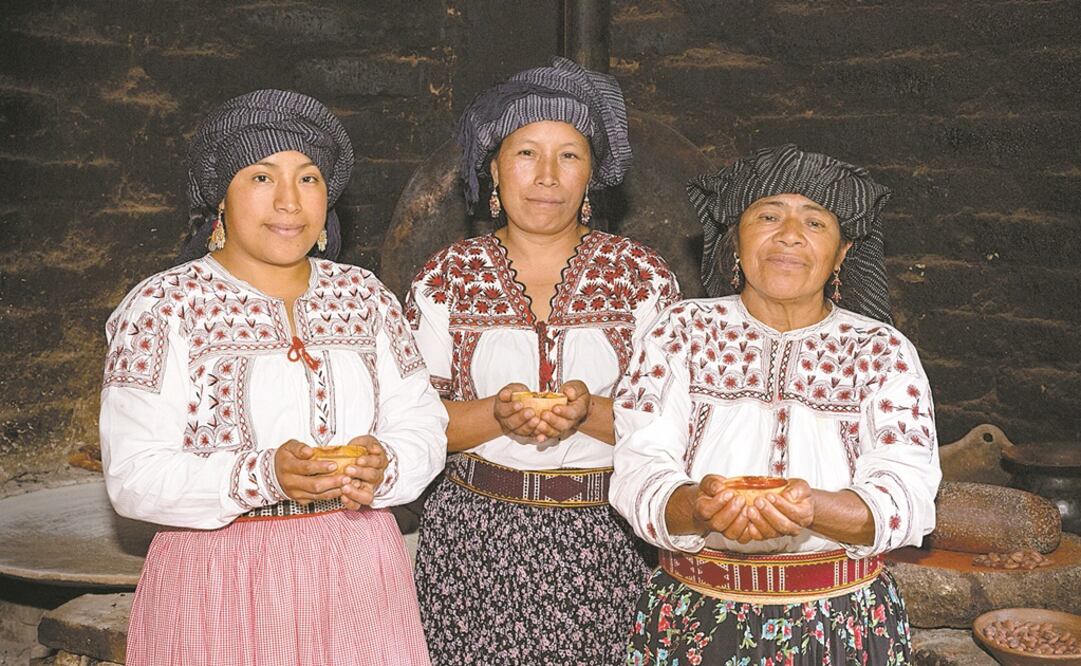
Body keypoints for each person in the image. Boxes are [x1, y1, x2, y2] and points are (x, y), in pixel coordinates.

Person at [100, 89, 447, 665]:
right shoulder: (163, 307)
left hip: (358, 571)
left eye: (308, 179)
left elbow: (424, 424)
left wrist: (385, 462)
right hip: (217, 577)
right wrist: (261, 476)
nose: (289, 201)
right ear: (221, 200)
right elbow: (133, 475)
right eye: (262, 178)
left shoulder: (364, 297)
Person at [612, 144, 941, 665]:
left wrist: (809, 509)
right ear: (734, 241)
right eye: (768, 215)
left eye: (815, 222)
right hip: (697, 620)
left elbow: (908, 494)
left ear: (841, 254)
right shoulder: (679, 333)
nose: (789, 234)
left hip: (840, 624)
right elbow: (638, 469)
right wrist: (701, 507)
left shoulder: (881, 351)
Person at [406, 57, 680, 665]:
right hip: (475, 542)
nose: (547, 176)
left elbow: (676, 424)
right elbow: (412, 423)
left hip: (608, 540)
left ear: (591, 178)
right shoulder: (445, 279)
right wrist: (497, 415)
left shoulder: (642, 278)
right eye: (527, 153)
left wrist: (588, 413)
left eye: (570, 155)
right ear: (494, 173)